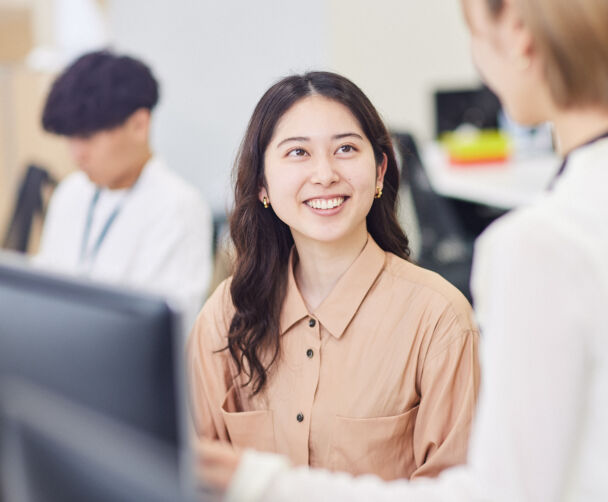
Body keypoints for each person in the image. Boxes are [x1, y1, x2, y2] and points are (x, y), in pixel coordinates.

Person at [196, 0, 608, 501]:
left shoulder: (536, 246)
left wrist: (261, 483)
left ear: (521, 41)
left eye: (477, 36)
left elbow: (504, 493)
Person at [188, 72, 479, 483]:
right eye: (297, 153)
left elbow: (457, 493)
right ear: (262, 184)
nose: (324, 174)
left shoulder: (440, 320)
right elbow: (191, 473)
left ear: (380, 172)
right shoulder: (226, 312)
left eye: (345, 148)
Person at [36, 50, 212, 322]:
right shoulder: (71, 192)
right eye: (70, 138)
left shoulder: (178, 208)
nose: (76, 154)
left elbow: (164, 334)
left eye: (87, 136)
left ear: (139, 125)